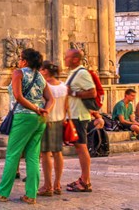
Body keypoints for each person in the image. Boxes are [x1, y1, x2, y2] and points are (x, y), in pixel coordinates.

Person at [0, 48, 53, 205]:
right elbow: (51, 99)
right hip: (40, 119)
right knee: (32, 156)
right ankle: (31, 195)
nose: (18, 60)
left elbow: (18, 96)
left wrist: (35, 109)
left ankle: (3, 192)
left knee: (13, 154)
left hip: (24, 116)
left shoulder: (18, 73)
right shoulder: (40, 77)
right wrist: (44, 110)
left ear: (24, 61)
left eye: (20, 58)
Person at [63, 48, 96, 193]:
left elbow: (92, 92)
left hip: (80, 116)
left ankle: (86, 181)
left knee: (82, 148)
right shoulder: (73, 73)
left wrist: (74, 93)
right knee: (79, 147)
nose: (64, 59)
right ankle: (83, 178)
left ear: (75, 59)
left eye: (67, 57)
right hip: (74, 115)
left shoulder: (82, 73)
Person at [38, 61, 68, 196]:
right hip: (60, 120)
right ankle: (57, 184)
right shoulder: (64, 86)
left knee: (45, 154)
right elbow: (66, 106)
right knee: (57, 153)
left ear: (45, 71)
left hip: (47, 120)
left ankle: (47, 185)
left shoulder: (45, 86)